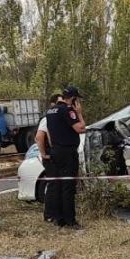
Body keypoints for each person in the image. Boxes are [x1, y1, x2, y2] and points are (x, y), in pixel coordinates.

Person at [44, 86, 86, 229]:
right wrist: (79, 114)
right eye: (77, 99)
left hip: (56, 151)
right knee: (68, 186)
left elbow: (49, 133)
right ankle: (70, 220)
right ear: (73, 99)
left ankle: (59, 218)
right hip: (68, 152)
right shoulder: (68, 110)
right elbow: (80, 128)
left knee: (58, 186)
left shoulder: (50, 111)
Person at [35, 94, 63, 223]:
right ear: (52, 104)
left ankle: (57, 212)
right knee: (53, 185)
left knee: (58, 185)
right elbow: (39, 137)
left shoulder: (60, 118)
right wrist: (44, 154)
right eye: (59, 103)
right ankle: (49, 214)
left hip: (57, 156)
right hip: (50, 156)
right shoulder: (47, 119)